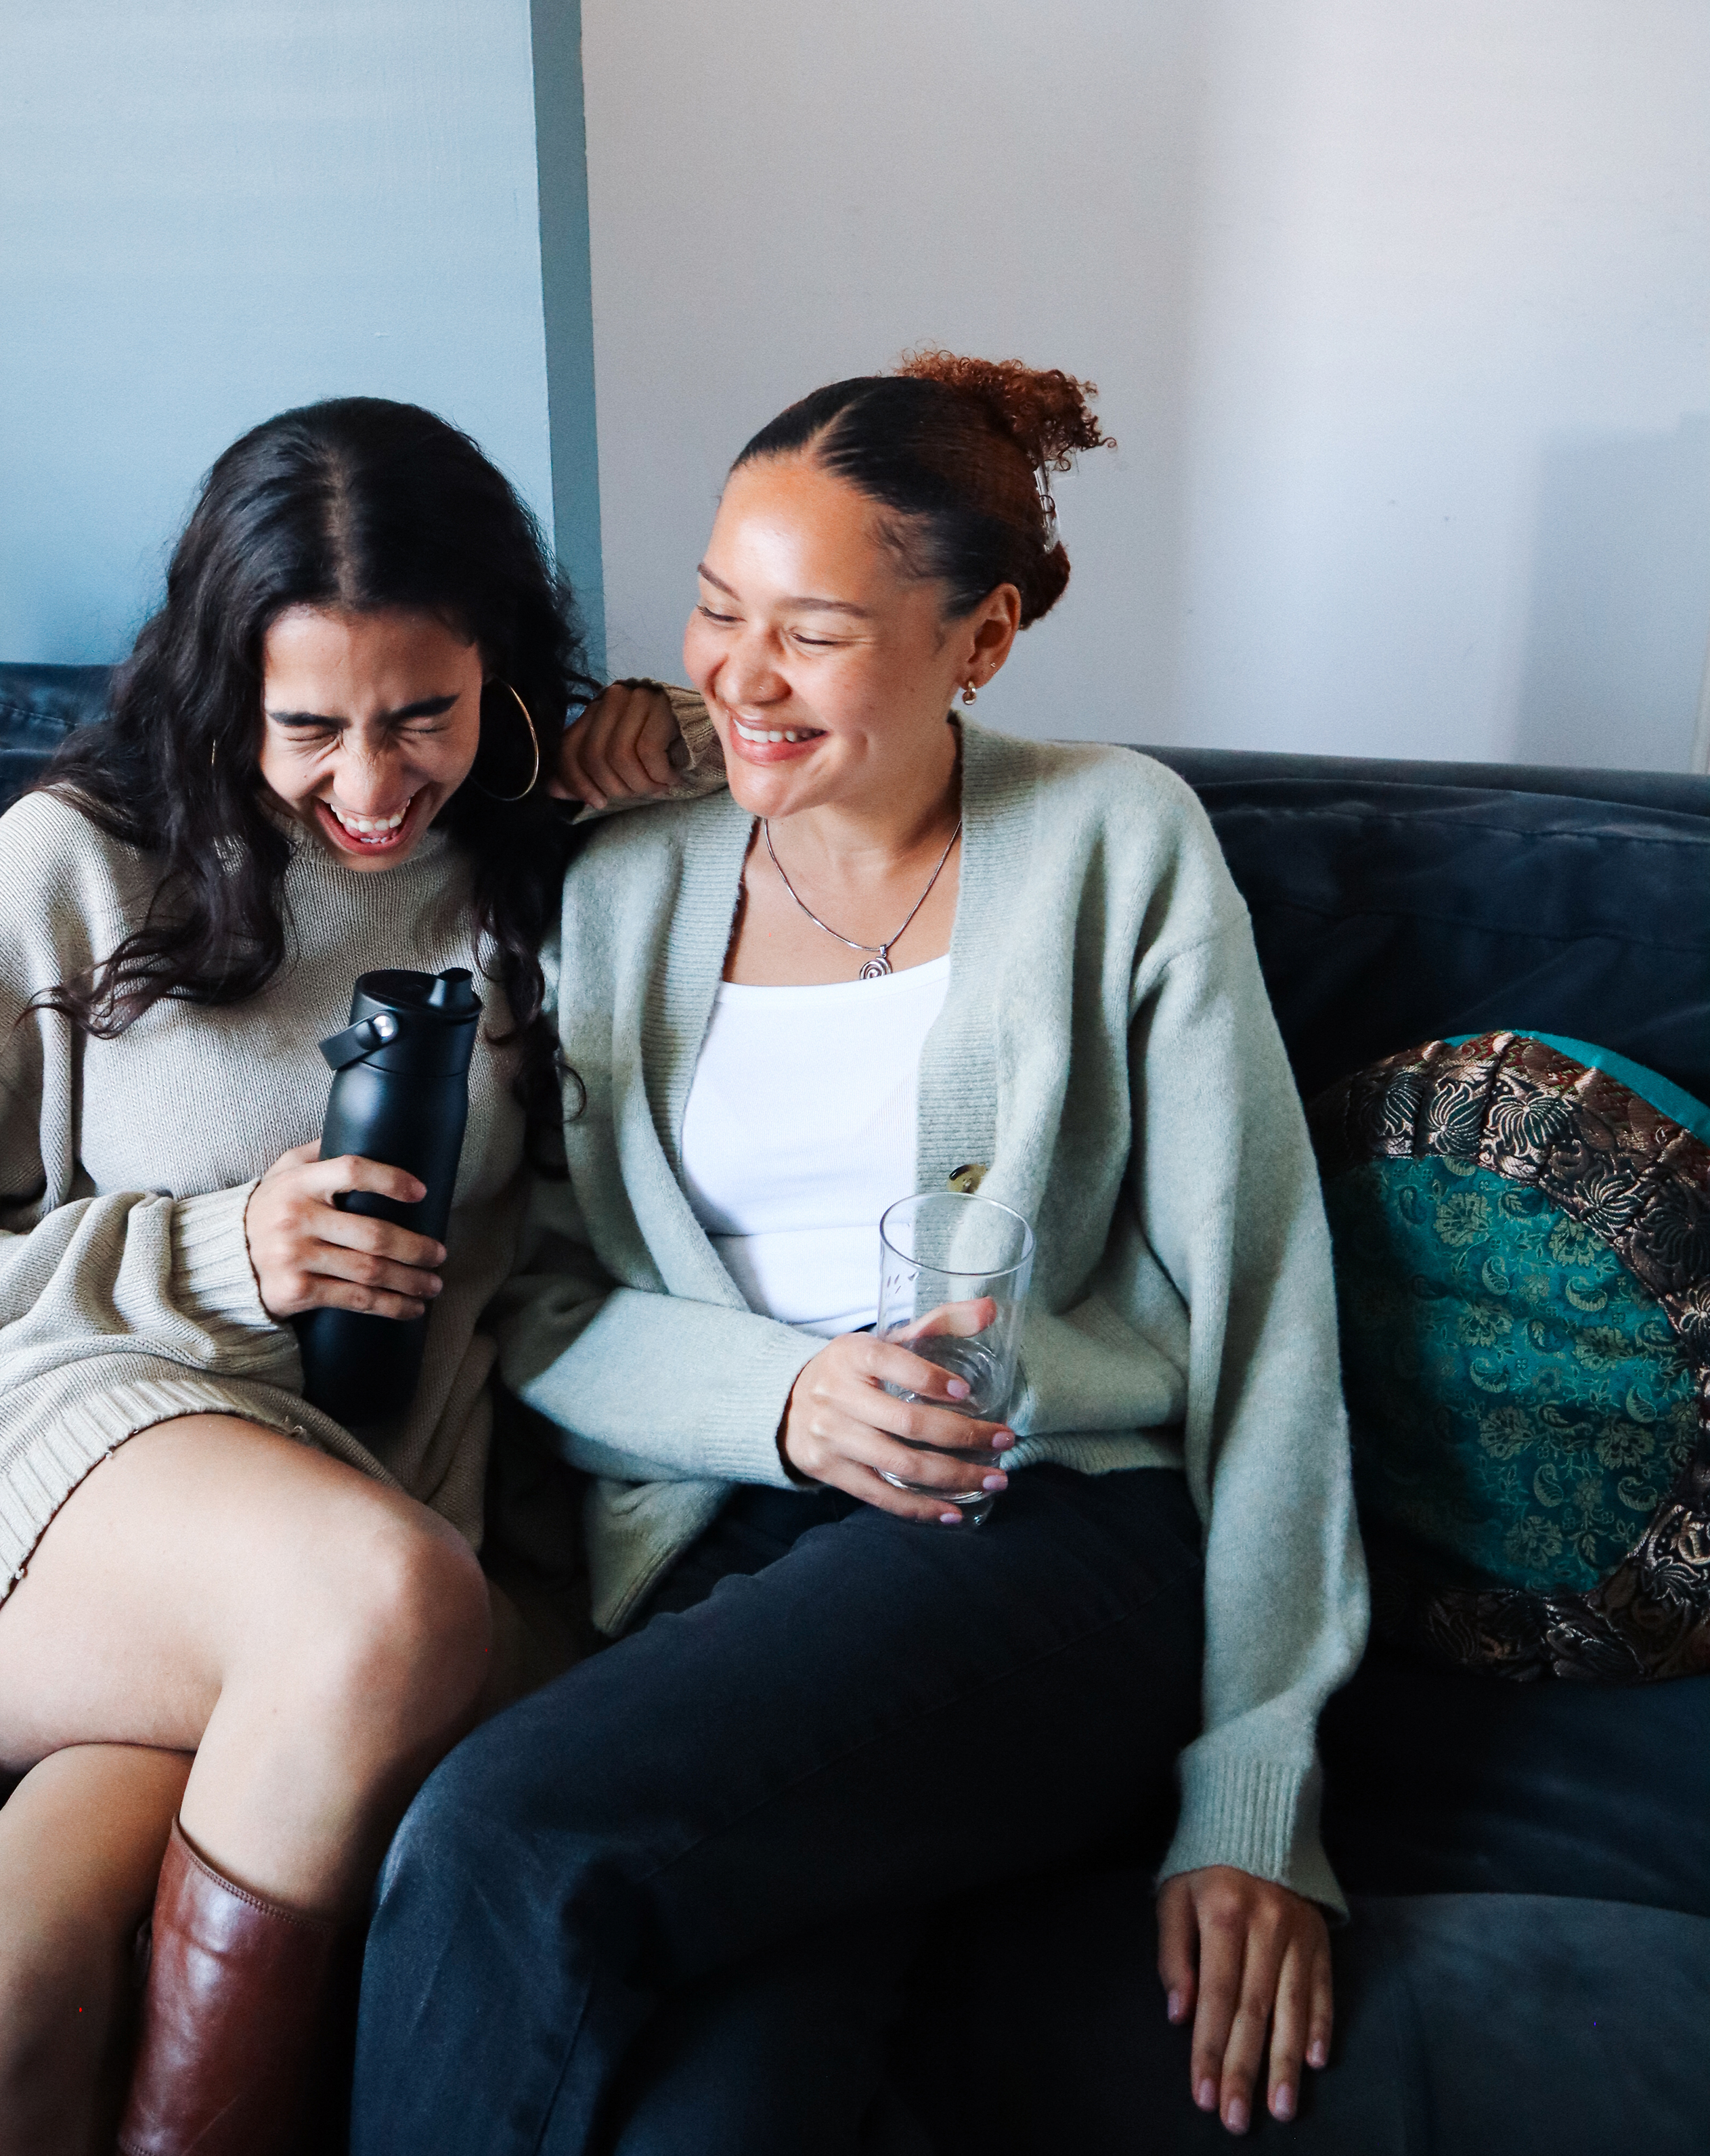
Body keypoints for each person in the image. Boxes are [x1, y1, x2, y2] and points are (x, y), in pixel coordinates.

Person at [353, 353, 1371, 2152]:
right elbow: (544, 1301)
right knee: (719, 2110)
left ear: (981, 640)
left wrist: (1254, 1789)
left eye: (812, 633)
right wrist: (787, 1400)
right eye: (716, 611)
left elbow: (1269, 1303)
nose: (741, 673)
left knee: (504, 1834)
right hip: (733, 1550)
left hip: (1044, 1532)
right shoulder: (626, 881)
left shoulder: (1118, 841)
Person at [0, 396, 699, 2156]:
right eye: (309, 727)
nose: (371, 786)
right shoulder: (84, 861)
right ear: (223, 691)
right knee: (390, 1607)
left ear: (498, 668)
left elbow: (862, 755)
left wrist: (685, 736)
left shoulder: (535, 862)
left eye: (422, 714)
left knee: (9, 1979)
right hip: (26, 1484)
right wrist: (209, 1251)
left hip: (336, 1527)